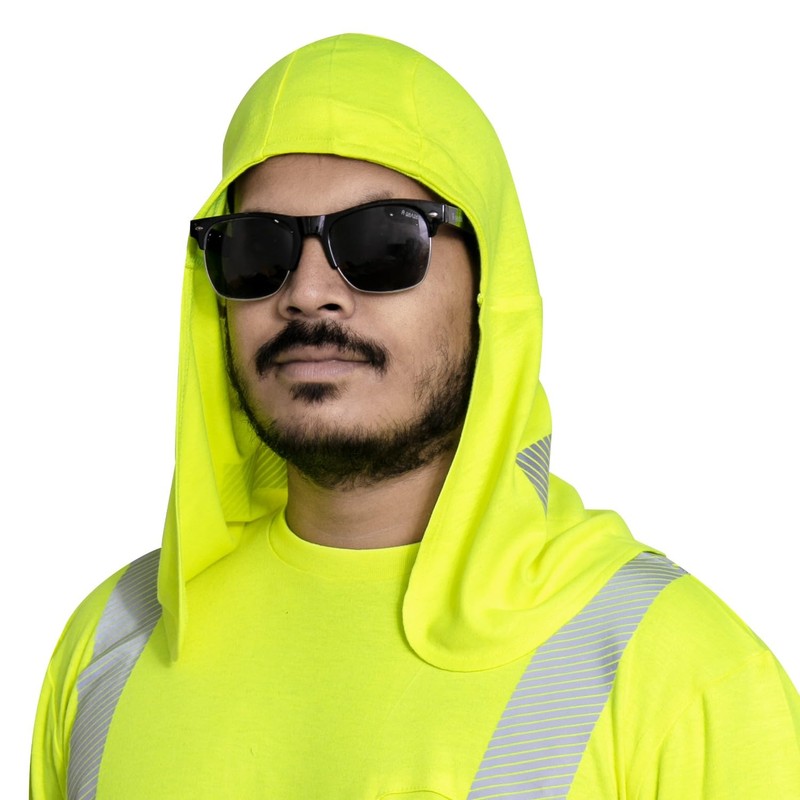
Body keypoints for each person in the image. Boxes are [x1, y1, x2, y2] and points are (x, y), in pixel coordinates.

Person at [31, 33, 800, 799]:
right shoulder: (109, 645)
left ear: (488, 291)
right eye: (259, 249)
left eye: (382, 242)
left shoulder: (678, 673)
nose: (307, 294)